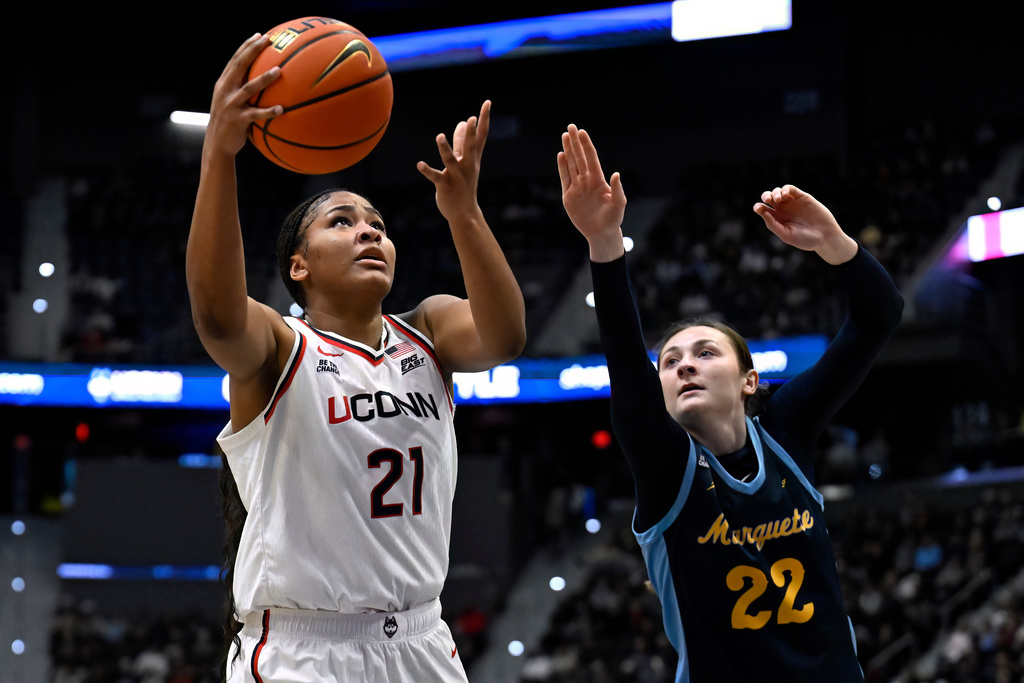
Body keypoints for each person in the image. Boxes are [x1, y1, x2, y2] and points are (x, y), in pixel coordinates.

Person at [186, 33, 526, 683]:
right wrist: (219, 156)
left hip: (422, 637)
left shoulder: (428, 330)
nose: (369, 229)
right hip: (303, 649)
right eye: (341, 221)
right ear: (298, 264)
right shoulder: (283, 347)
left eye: (377, 223)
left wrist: (464, 213)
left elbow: (504, 335)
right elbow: (218, 316)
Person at [557, 124, 903, 682]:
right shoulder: (668, 469)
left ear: (749, 380)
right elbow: (626, 364)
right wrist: (604, 244)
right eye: (670, 362)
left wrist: (835, 244)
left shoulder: (786, 431)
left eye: (704, 353)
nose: (684, 365)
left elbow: (878, 318)